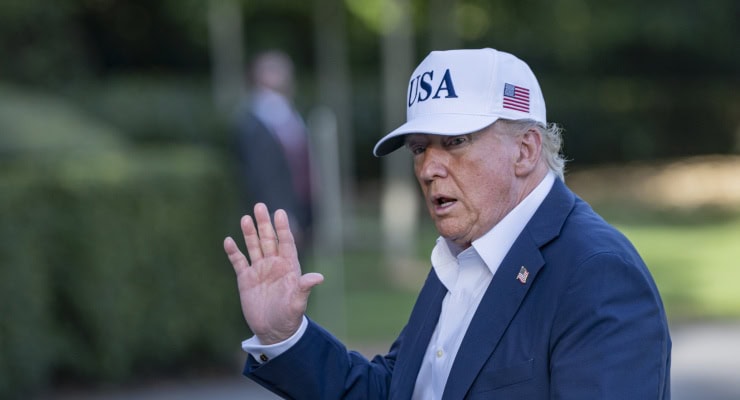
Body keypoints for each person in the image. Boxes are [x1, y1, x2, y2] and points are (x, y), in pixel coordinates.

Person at [223, 48, 671, 399]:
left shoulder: (597, 274)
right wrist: (286, 336)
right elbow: (401, 390)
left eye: (455, 141)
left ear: (526, 150)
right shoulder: (464, 252)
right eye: (419, 148)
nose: (427, 168)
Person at [233, 50, 314, 252]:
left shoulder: (286, 113)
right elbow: (263, 173)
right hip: (279, 217)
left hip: (300, 210)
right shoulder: (256, 122)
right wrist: (280, 215)